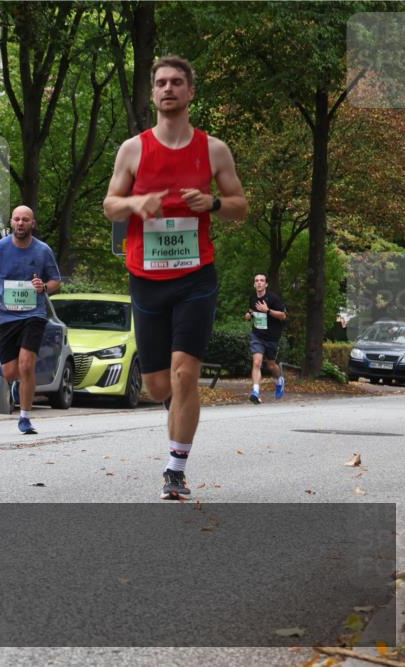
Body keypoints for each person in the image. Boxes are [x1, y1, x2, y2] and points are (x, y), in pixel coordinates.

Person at [103, 55, 248, 500]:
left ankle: (175, 468)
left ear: (190, 92)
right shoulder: (133, 148)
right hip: (146, 277)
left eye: (177, 82)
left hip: (195, 276)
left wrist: (214, 204)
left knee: (186, 373)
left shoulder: (213, 149)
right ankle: (179, 410)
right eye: (161, 82)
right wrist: (135, 204)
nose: (168, 89)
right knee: (158, 385)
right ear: (153, 93)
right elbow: (110, 204)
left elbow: (240, 204)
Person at [0, 205, 61, 435]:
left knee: (27, 364)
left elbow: (56, 281)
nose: (21, 223)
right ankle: (17, 386)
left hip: (34, 314)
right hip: (6, 315)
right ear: (11, 222)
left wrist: (43, 287)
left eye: (25, 219)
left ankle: (25, 417)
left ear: (32, 223)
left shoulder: (42, 250)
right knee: (10, 372)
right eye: (17, 219)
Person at [244, 273, 287, 403]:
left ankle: (280, 380)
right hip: (257, 335)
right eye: (256, 280)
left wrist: (267, 310)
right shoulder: (252, 297)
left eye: (262, 281)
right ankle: (255, 392)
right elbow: (252, 311)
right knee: (256, 362)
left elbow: (283, 316)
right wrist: (249, 315)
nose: (259, 283)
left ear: (266, 284)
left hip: (272, 338)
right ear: (254, 284)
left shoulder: (274, 299)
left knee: (271, 365)